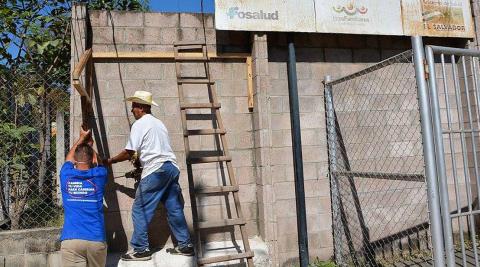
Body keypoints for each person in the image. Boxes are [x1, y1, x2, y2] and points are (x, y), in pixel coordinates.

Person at [105, 90, 194, 261]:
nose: (132, 110)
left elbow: (129, 152)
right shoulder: (159, 123)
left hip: (156, 170)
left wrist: (109, 161)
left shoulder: (140, 124)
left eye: (134, 107)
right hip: (170, 168)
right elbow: (153, 150)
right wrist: (140, 166)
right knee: (174, 208)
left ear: (141, 107)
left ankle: (141, 249)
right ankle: (185, 245)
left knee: (140, 209)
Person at [60, 127, 108, 267]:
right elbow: (99, 162)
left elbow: (68, 158)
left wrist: (81, 138)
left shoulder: (66, 175)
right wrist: (90, 147)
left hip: (71, 240)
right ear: (92, 158)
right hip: (96, 239)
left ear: (75, 160)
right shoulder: (99, 174)